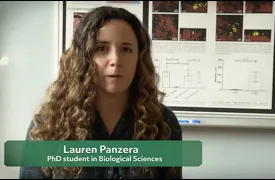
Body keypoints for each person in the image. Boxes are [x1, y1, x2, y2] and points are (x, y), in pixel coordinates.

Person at [19, 5, 182, 179]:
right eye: (102, 48)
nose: (116, 60)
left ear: (139, 58)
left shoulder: (163, 123)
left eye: (126, 49)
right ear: (84, 57)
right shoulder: (48, 123)